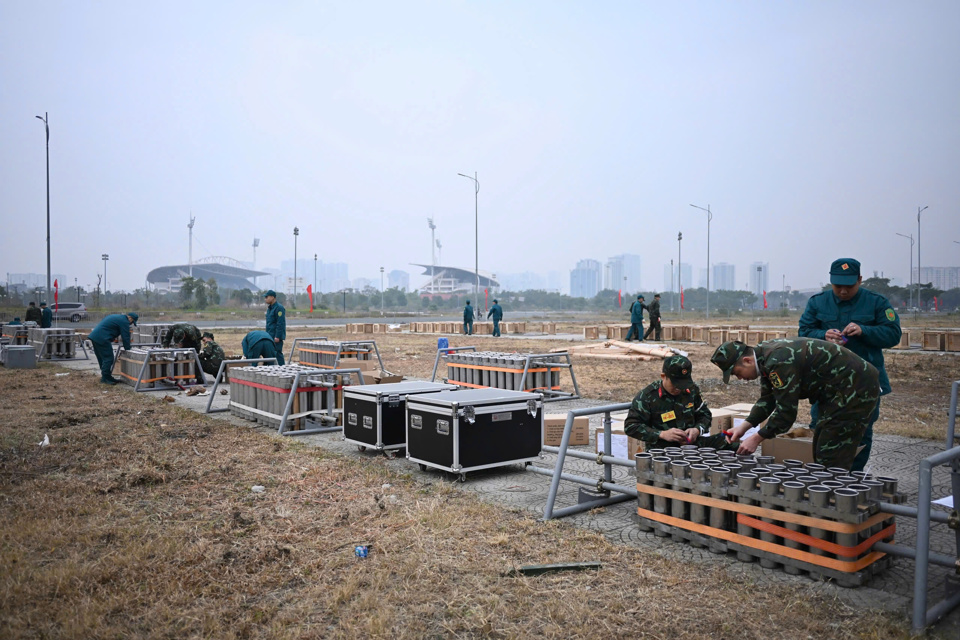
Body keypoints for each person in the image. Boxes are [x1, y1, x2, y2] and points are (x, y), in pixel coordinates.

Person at [710, 338, 880, 470]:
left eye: (736, 373)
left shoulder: (778, 361)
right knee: (822, 445)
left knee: (832, 452)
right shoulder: (764, 357)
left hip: (855, 388)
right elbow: (768, 399)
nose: (740, 378)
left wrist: (756, 438)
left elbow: (786, 414)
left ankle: (837, 505)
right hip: (837, 391)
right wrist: (744, 427)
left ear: (747, 361)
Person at [799, 258, 901, 471]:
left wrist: (866, 331)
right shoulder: (818, 302)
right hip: (826, 382)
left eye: (849, 286)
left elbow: (893, 334)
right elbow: (804, 333)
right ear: (830, 282)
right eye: (838, 286)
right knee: (820, 427)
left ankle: (852, 478)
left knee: (861, 431)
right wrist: (822, 335)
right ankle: (820, 477)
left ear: (860, 280)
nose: (843, 291)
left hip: (864, 382)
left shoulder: (877, 302)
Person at [623, 355, 736, 451]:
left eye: (682, 384)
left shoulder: (691, 390)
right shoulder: (648, 396)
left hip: (692, 446)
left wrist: (697, 430)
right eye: (675, 384)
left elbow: (705, 415)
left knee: (731, 443)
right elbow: (631, 426)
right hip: (663, 451)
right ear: (663, 377)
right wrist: (662, 434)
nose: (678, 388)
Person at [89, 312, 139, 385]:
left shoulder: (117, 317)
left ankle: (107, 377)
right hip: (103, 338)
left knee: (102, 358)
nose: (131, 324)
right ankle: (105, 379)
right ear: (130, 318)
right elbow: (126, 336)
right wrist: (128, 349)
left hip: (95, 336)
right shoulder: (124, 321)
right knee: (108, 358)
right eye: (132, 322)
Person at [264, 289, 286, 365]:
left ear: (272, 297)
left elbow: (280, 323)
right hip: (269, 335)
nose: (265, 299)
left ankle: (282, 369)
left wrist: (278, 336)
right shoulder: (269, 309)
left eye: (267, 297)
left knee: (277, 354)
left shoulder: (279, 308)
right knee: (270, 353)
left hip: (275, 336)